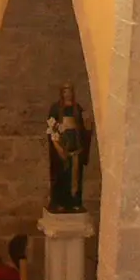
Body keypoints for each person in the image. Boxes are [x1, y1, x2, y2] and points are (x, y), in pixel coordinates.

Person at [46, 84, 93, 212]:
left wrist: (88, 126)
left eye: (70, 91)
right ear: (62, 93)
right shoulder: (56, 109)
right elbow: (51, 127)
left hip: (75, 147)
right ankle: (59, 202)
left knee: (75, 176)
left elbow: (83, 126)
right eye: (65, 92)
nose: (68, 94)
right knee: (61, 175)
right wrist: (58, 145)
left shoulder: (77, 109)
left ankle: (74, 202)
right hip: (61, 147)